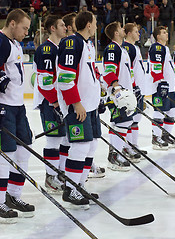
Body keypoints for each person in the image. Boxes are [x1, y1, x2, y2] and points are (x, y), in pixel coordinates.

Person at [0, 8, 35, 223]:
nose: (26, 32)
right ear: (12, 23)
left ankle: (13, 196)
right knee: (4, 156)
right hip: (2, 108)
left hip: (18, 106)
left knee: (23, 151)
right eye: (24, 28)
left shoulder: (14, 43)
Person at [57, 11, 100, 209]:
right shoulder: (72, 43)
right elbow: (65, 77)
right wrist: (75, 103)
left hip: (89, 105)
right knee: (81, 146)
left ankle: (80, 185)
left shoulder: (87, 44)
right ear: (89, 24)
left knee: (91, 146)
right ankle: (70, 189)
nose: (97, 25)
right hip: (78, 105)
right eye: (95, 22)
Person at [33, 15, 67, 194]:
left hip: (58, 101)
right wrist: (54, 101)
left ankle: (59, 173)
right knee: (53, 138)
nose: (65, 27)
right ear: (52, 28)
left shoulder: (59, 47)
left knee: (62, 137)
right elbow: (44, 81)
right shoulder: (47, 49)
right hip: (50, 101)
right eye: (62, 24)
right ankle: (50, 176)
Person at [103, 21, 136, 171]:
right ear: (116, 33)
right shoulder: (112, 48)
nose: (124, 30)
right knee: (121, 123)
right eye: (121, 28)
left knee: (124, 123)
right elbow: (109, 71)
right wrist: (117, 89)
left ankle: (117, 152)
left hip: (125, 93)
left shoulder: (122, 50)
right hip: (117, 95)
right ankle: (114, 156)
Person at [148, 26, 175, 149]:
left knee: (172, 110)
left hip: (169, 85)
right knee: (159, 111)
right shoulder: (157, 47)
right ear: (158, 36)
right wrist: (161, 82)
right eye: (164, 32)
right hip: (160, 85)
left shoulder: (164, 48)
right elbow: (156, 67)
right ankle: (156, 137)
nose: (167, 34)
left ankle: (166, 135)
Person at [122, 22, 147, 159]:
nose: (139, 34)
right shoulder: (127, 48)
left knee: (136, 119)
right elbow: (129, 70)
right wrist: (134, 86)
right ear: (129, 33)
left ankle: (133, 144)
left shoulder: (135, 47)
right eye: (136, 31)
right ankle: (126, 146)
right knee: (129, 120)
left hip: (138, 89)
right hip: (133, 89)